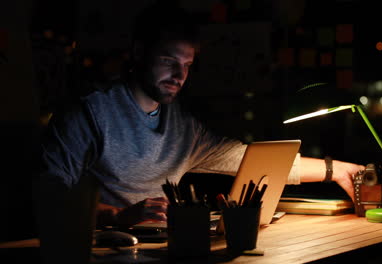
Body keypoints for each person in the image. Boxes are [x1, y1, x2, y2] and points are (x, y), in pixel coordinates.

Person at [37, 3, 364, 231]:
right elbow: (49, 198)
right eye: (168, 60)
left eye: (188, 65)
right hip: (102, 249)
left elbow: (242, 157)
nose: (179, 75)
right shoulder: (89, 113)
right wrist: (121, 216)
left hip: (165, 249)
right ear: (138, 53)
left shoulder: (181, 127)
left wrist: (335, 170)